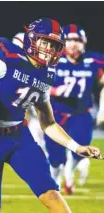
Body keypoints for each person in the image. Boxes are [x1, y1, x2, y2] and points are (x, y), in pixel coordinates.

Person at [0, 18, 103, 213]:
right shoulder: (6, 60)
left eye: (54, 45)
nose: (49, 49)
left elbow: (48, 124)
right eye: (45, 42)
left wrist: (76, 147)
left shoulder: (47, 75)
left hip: (19, 137)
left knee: (52, 195)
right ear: (31, 39)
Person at [44, 24, 104, 194]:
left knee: (82, 150)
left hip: (81, 113)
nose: (73, 44)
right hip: (55, 114)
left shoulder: (93, 61)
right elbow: (34, 83)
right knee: (55, 158)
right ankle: (54, 180)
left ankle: (69, 174)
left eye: (77, 40)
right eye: (69, 39)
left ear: (83, 42)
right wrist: (54, 90)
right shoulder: (52, 60)